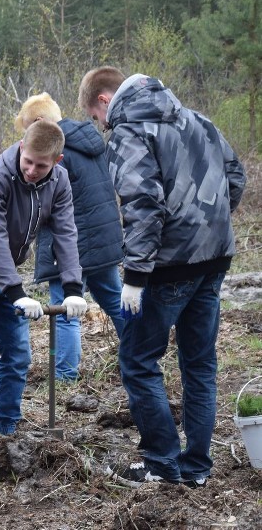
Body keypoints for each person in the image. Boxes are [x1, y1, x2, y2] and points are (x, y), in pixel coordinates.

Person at [79, 67, 246, 488]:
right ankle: (197, 469)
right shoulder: (199, 120)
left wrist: (135, 275)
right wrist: (209, 226)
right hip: (214, 261)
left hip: (166, 268)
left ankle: (162, 463)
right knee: (200, 364)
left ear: (104, 100)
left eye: (98, 119)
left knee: (137, 362)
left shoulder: (130, 132)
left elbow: (142, 205)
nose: (103, 127)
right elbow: (235, 178)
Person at [0, 120, 87, 439]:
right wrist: (16, 292)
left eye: (42, 165)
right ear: (21, 147)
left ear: (57, 162)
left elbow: (65, 233)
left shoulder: (59, 181)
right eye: (28, 161)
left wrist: (73, 288)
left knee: (19, 353)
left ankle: (5, 427)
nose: (33, 170)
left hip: (4, 278)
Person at [15, 92, 125, 381]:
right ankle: (141, 357)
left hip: (72, 246)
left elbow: (45, 204)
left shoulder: (55, 156)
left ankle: (64, 376)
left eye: (29, 130)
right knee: (116, 303)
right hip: (103, 240)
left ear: (39, 122)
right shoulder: (91, 141)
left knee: (66, 312)